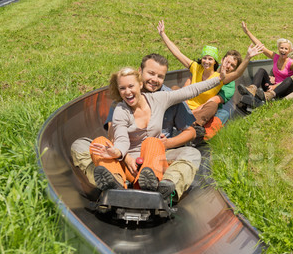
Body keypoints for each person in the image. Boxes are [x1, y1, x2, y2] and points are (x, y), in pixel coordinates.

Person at [86, 61, 228, 200]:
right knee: (97, 143)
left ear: (140, 84)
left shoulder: (159, 99)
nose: (127, 92)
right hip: (129, 165)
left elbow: (189, 91)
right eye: (122, 88)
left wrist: (219, 79)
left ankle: (154, 184)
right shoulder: (120, 110)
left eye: (131, 86)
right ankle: (115, 184)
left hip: (152, 161)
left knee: (153, 142)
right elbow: (121, 139)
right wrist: (119, 154)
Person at [71, 54, 199, 189]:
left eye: (160, 76)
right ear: (140, 72)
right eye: (151, 73)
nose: (154, 79)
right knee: (80, 145)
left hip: (159, 157)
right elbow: (113, 137)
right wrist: (126, 158)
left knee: (192, 154)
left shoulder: (170, 98)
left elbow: (191, 132)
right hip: (125, 156)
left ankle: (166, 186)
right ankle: (111, 180)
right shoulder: (124, 97)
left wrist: (167, 143)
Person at [157, 20, 263, 141]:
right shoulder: (196, 67)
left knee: (216, 108)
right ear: (222, 60)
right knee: (174, 89)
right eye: (205, 58)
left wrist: (248, 57)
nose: (207, 61)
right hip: (184, 104)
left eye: (210, 59)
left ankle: (194, 130)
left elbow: (237, 74)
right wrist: (163, 34)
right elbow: (178, 53)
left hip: (198, 111)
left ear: (215, 61)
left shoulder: (221, 79)